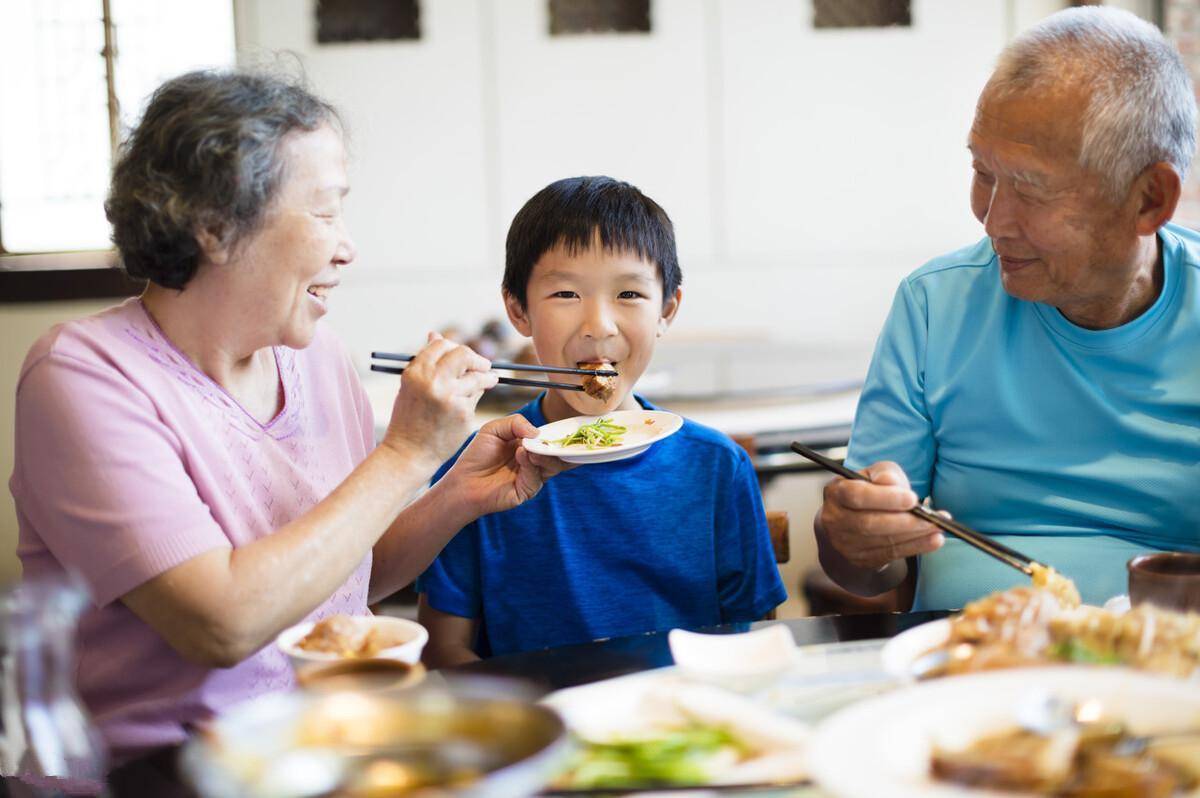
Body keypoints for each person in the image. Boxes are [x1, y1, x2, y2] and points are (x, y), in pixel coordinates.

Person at [9, 69, 568, 764]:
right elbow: (222, 624)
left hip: (331, 748)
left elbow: (336, 577)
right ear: (215, 226)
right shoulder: (83, 376)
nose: (347, 247)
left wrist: (454, 497)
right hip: (167, 772)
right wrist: (407, 454)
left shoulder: (314, 355)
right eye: (326, 212)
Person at [815, 6, 1200, 612]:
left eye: (1029, 188)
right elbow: (868, 574)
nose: (992, 221)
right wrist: (855, 539)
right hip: (961, 656)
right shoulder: (934, 305)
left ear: (1149, 199)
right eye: (981, 172)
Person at [417, 176, 787, 666]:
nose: (599, 325)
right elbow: (445, 650)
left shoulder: (718, 468)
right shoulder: (477, 472)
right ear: (518, 310)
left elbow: (754, 642)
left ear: (668, 309)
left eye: (630, 294)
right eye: (566, 294)